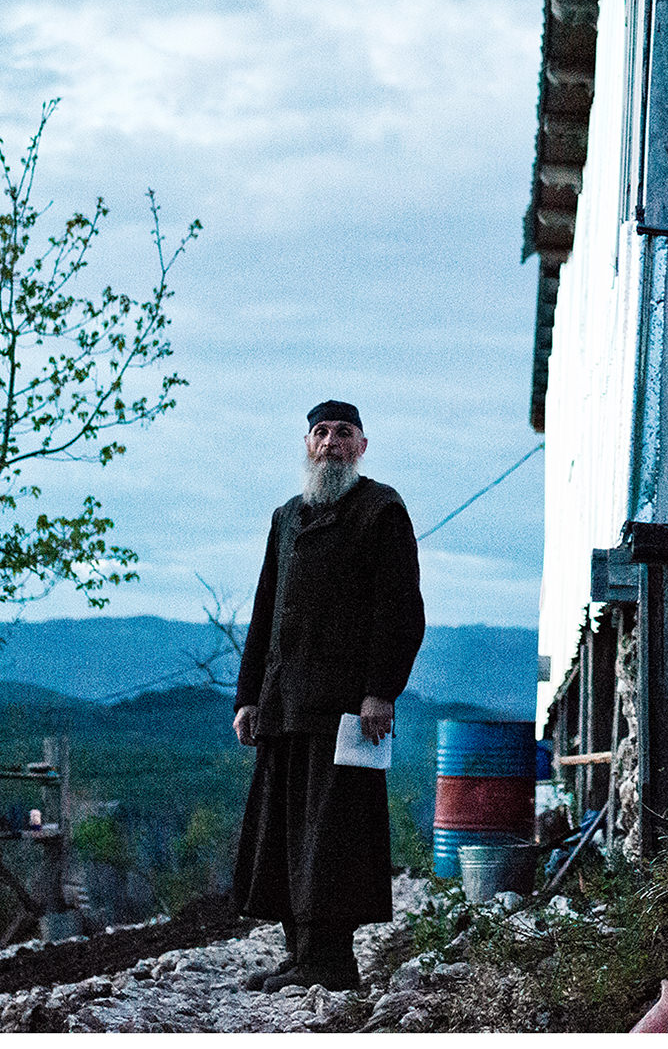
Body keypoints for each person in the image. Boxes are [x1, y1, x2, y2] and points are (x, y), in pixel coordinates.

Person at [230, 400, 426, 993]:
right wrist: (248, 697)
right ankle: (298, 952)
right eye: (321, 433)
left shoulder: (381, 510)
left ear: (362, 446)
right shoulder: (286, 516)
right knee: (285, 831)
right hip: (285, 701)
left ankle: (332, 961)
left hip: (345, 706)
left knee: (333, 832)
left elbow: (400, 609)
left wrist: (380, 692)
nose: (331, 443)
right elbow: (265, 609)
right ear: (307, 445)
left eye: (344, 434)